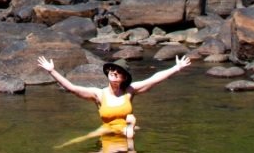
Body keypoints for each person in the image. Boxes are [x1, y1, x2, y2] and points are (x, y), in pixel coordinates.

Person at [37, 53, 191, 139]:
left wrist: (176, 68)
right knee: (73, 146)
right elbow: (71, 88)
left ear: (124, 78)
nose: (114, 72)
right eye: (112, 70)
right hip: (108, 131)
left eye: (119, 73)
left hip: (125, 130)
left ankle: (130, 133)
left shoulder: (130, 90)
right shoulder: (98, 94)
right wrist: (52, 71)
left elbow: (154, 79)